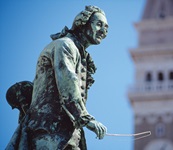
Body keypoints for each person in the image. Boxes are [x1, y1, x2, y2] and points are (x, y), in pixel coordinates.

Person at [6, 5, 108, 150]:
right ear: (83, 23)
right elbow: (68, 82)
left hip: (66, 136)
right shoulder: (65, 45)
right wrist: (85, 119)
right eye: (99, 24)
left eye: (106, 27)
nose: (104, 31)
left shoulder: (77, 52)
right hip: (49, 132)